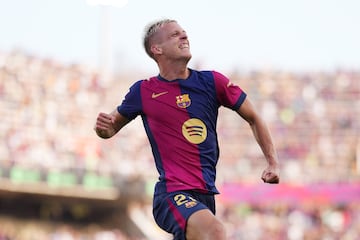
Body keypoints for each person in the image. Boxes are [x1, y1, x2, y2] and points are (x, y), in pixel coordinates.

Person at [94, 19, 280, 240]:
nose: (184, 36)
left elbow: (253, 117)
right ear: (157, 49)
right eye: (174, 35)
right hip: (172, 193)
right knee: (215, 231)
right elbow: (110, 127)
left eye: (184, 33)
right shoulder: (143, 91)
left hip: (205, 197)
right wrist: (103, 128)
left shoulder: (212, 82)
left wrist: (272, 162)